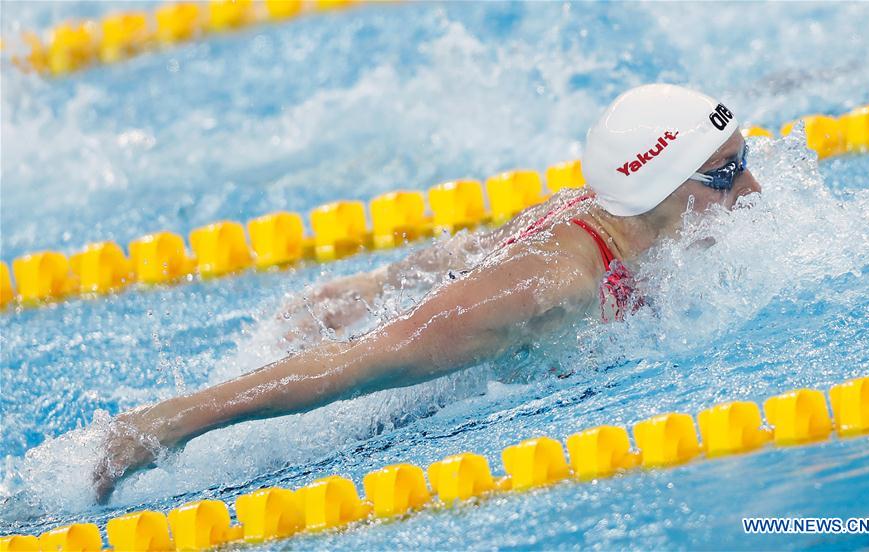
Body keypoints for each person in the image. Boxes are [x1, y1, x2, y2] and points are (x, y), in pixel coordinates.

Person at [92, 83, 761, 500]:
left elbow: (471, 249)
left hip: (429, 304)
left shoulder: (613, 210)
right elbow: (364, 361)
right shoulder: (549, 286)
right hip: (402, 379)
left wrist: (377, 283)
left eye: (743, 160)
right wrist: (164, 426)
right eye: (725, 174)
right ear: (653, 187)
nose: (752, 192)